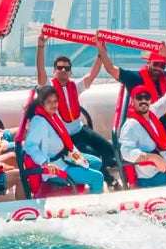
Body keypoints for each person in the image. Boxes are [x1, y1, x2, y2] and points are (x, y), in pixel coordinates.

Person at [97, 37, 166, 162]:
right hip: (152, 126)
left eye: (162, 65)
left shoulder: (165, 76)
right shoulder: (135, 78)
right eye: (155, 64)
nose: (158, 68)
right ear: (149, 63)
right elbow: (111, 70)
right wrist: (102, 52)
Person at [36, 32, 120, 187]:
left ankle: (113, 165)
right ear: (54, 71)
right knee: (92, 155)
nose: (62, 70)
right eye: (59, 67)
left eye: (66, 68)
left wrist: (101, 53)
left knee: (109, 148)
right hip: (67, 138)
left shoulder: (75, 86)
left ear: (70, 72)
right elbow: (40, 72)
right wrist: (41, 47)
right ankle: (110, 181)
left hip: (81, 130)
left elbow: (92, 75)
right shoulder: (48, 88)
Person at [22, 85, 105, 194]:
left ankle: (79, 189)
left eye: (55, 101)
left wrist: (77, 156)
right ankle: (94, 205)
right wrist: (44, 164)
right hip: (55, 167)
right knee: (97, 177)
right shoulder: (39, 121)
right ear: (42, 103)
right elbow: (30, 146)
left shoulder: (53, 116)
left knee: (96, 163)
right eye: (49, 102)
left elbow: (66, 142)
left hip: (66, 156)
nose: (53, 105)